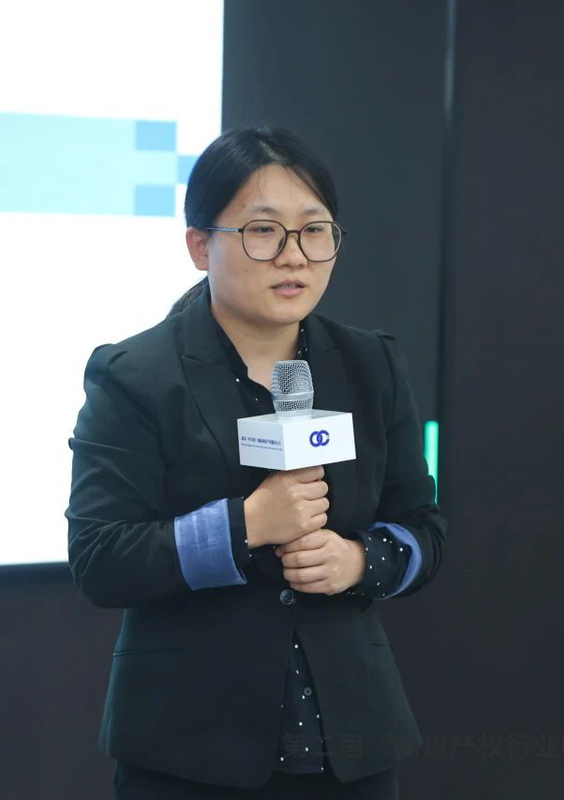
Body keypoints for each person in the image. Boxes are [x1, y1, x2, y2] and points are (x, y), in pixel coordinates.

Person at [66, 126, 447, 799]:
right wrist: (245, 525)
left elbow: (425, 528)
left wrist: (359, 562)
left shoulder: (371, 364)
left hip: (350, 749)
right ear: (198, 245)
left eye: (314, 231)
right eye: (264, 231)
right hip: (189, 753)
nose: (293, 256)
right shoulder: (136, 376)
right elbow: (101, 559)